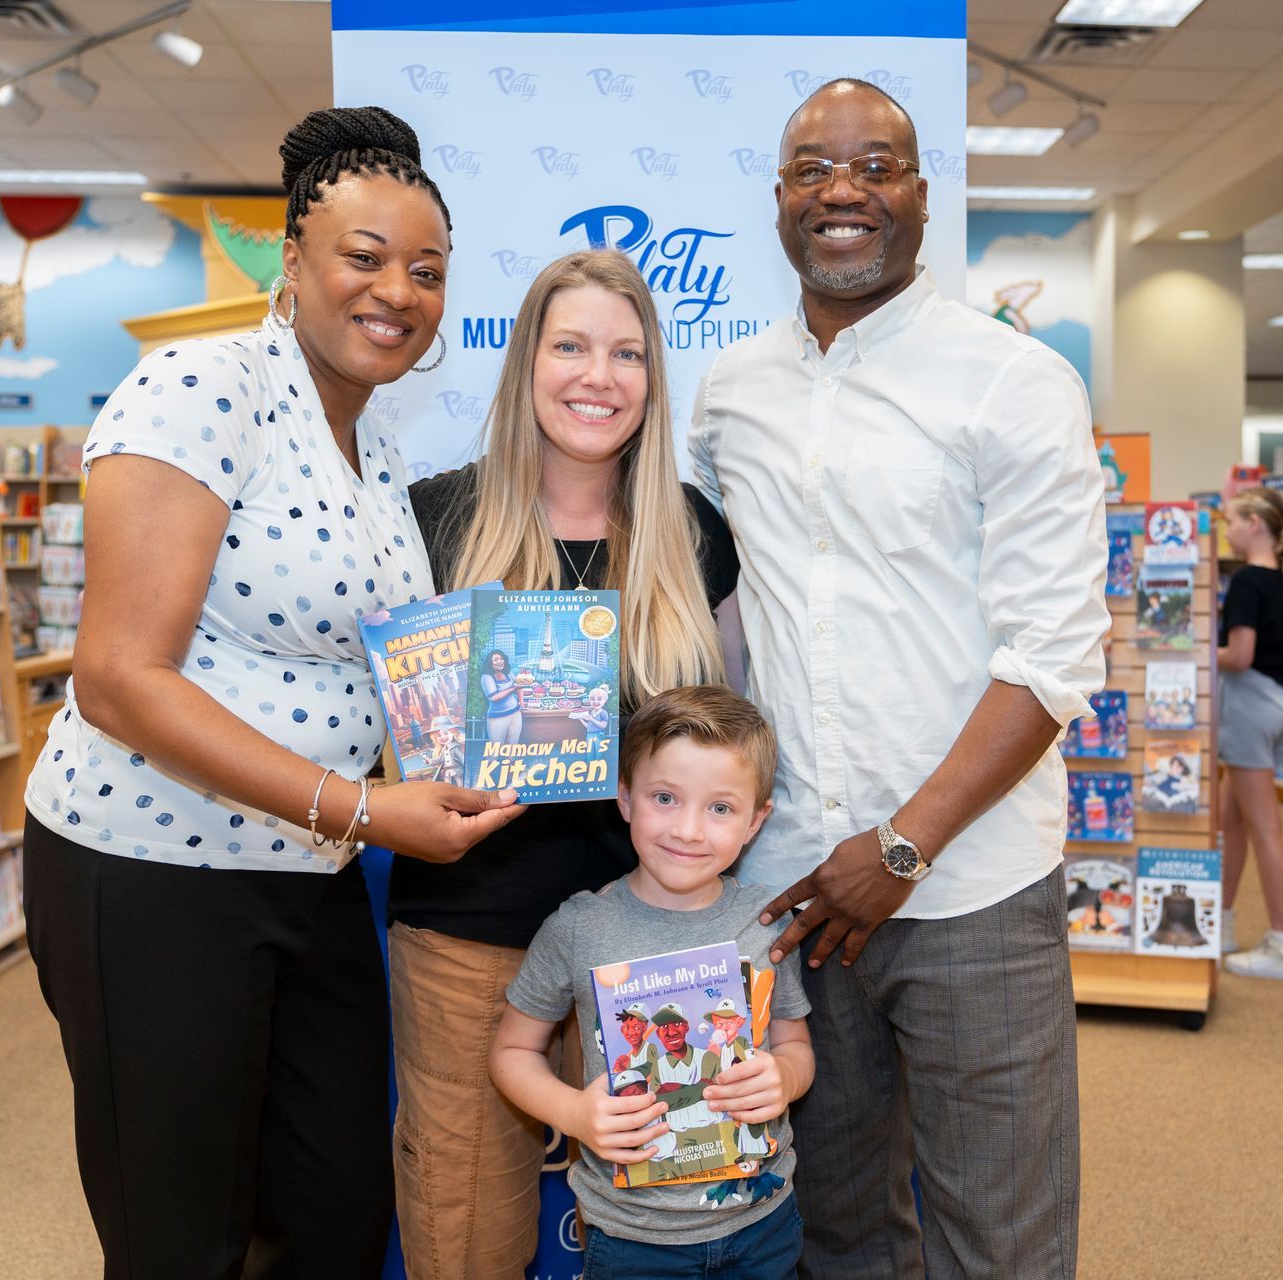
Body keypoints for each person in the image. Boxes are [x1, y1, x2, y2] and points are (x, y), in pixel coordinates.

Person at [21, 107, 525, 1279]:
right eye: (364, 256)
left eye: (427, 269)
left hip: (310, 872)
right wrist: (358, 808)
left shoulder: (376, 445)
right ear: (292, 260)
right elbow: (116, 677)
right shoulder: (202, 385)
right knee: (182, 1230)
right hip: (151, 870)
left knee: (335, 1203)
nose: (397, 289)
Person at [690, 79, 1108, 1279]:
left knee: (1003, 1238)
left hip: (971, 885)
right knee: (838, 1232)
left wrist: (904, 847)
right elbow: (718, 616)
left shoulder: (1012, 381)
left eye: (876, 166)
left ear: (922, 195)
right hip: (791, 893)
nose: (844, 191)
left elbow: (1053, 652)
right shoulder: (730, 392)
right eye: (815, 168)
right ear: (780, 201)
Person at [389, 249, 739, 1279]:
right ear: (526, 362)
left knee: (665, 1212)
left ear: (653, 377)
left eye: (627, 352)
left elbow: (731, 736)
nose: (600, 374)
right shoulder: (435, 518)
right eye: (572, 345)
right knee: (465, 1217)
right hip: (471, 926)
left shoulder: (694, 532)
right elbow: (379, 727)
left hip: (655, 935)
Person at [489, 685, 814, 1280]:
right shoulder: (578, 928)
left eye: (720, 808)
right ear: (625, 798)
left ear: (756, 820)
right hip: (633, 1238)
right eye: (665, 797)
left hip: (764, 1223)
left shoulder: (768, 920)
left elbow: (795, 1047)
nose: (689, 830)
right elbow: (511, 1053)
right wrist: (574, 1113)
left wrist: (784, 1079)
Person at [1217, 486, 1283, 980]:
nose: (1227, 531)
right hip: (1282, 704)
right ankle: (1220, 922)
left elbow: (1238, 656)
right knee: (1228, 818)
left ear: (1255, 524)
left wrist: (1192, 653)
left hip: (1248, 705)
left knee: (1264, 827)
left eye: (1231, 521)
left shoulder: (1244, 584)